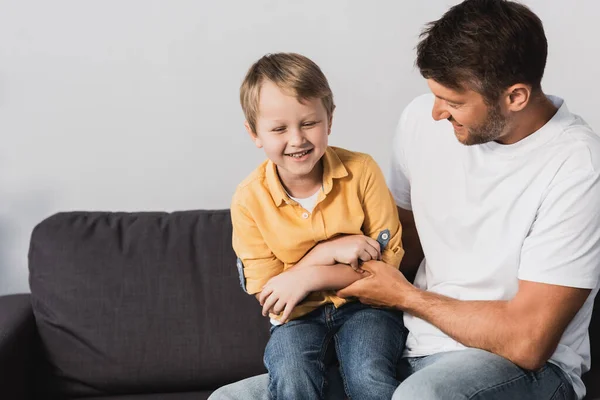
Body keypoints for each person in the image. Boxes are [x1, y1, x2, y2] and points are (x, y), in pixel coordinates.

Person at [210, 1, 600, 399]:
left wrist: (407, 297)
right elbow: (396, 246)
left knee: (419, 397)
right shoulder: (420, 120)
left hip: (519, 368)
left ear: (515, 96)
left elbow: (529, 343)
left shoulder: (576, 164)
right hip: (412, 349)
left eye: (453, 101)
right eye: (434, 95)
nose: (435, 113)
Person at [230, 52, 407, 400]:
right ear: (255, 133)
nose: (297, 140)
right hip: (296, 319)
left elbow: (387, 269)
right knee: (292, 372)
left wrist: (308, 277)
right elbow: (272, 295)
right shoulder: (248, 199)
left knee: (368, 373)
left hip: (368, 308)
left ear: (329, 119)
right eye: (279, 129)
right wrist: (327, 253)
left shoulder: (362, 171)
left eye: (309, 123)